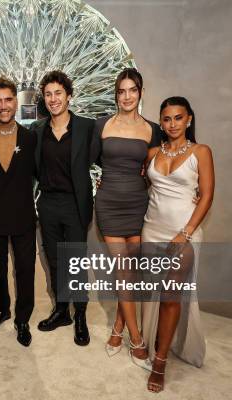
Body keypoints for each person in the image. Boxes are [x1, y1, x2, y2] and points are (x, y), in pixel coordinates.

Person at [90, 68, 162, 366]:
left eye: (132, 90)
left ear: (140, 92)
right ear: (116, 94)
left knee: (131, 274)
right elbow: (93, 158)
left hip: (138, 204)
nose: (127, 96)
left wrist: (191, 192)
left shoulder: (152, 129)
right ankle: (137, 338)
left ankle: (118, 329)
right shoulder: (102, 125)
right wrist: (103, 181)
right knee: (123, 272)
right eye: (121, 91)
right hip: (109, 204)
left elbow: (160, 168)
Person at [141, 96, 213, 392]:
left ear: (189, 119)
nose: (172, 124)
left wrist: (187, 231)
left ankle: (160, 363)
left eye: (178, 118)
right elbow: (145, 185)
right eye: (167, 119)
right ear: (161, 122)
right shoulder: (152, 153)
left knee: (171, 293)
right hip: (152, 229)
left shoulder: (201, 152)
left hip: (184, 232)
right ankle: (157, 339)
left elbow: (207, 195)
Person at [31, 71, 94, 346]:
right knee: (55, 260)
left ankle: (79, 314)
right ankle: (61, 310)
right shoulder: (37, 130)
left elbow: (105, 156)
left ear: (69, 95)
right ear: (43, 99)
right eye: (48, 94)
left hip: (74, 203)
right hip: (47, 203)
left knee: (75, 261)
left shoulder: (86, 128)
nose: (53, 99)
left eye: (58, 93)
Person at [0, 77, 37, 347]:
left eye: (7, 100)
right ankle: (2, 309)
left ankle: (22, 319)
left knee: (25, 270)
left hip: (24, 217)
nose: (3, 106)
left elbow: (41, 174)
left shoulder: (30, 138)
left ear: (16, 101)